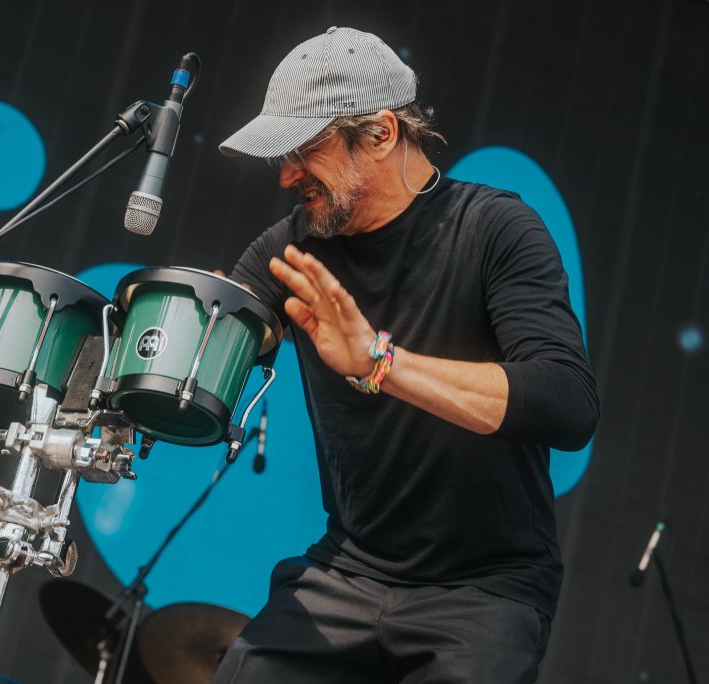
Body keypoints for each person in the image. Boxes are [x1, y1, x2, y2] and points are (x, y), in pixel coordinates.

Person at [211, 27, 599, 684]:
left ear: (381, 134)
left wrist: (377, 362)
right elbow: (223, 339)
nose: (286, 176)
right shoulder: (290, 249)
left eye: (304, 151)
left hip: (485, 590)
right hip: (348, 570)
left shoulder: (496, 230)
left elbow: (567, 404)